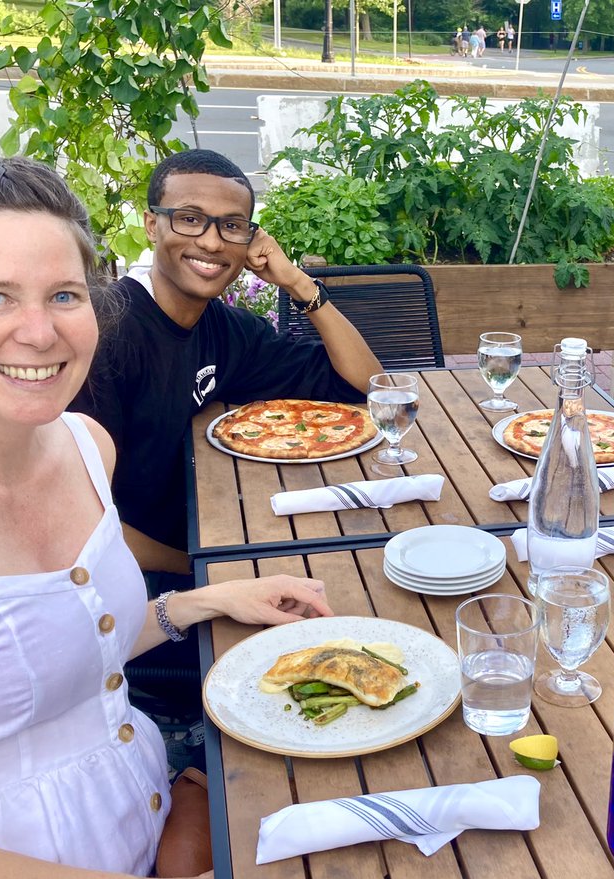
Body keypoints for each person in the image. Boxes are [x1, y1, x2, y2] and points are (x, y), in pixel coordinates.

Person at [0, 154, 338, 879]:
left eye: (64, 295)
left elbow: (60, 647)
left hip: (142, 827)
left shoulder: (86, 447)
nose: (40, 331)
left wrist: (204, 602)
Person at [70, 149, 382, 578]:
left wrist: (296, 282)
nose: (212, 242)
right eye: (190, 218)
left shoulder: (229, 330)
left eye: (231, 226)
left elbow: (365, 386)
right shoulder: (104, 333)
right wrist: (207, 569)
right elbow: (81, 526)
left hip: (217, 527)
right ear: (151, 226)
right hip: (128, 577)